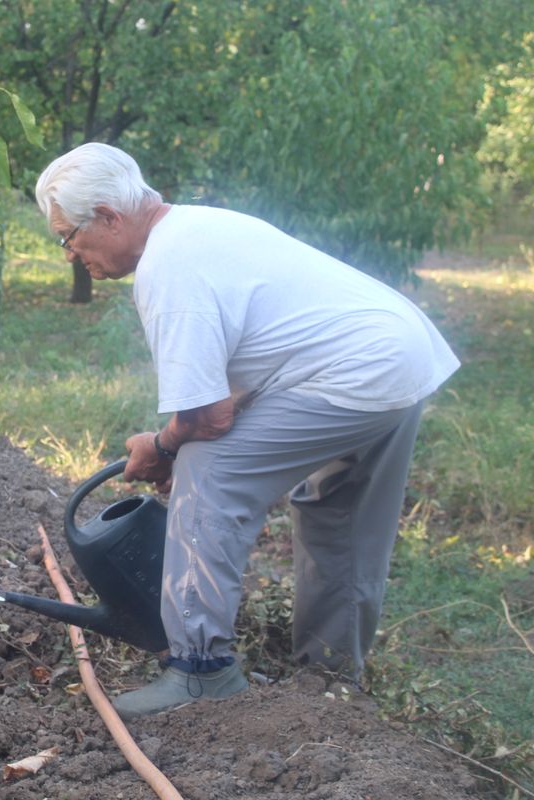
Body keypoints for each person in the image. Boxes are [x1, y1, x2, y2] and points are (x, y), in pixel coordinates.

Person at [34, 143, 460, 720]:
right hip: (400, 354)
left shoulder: (167, 269)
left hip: (356, 371)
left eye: (68, 236)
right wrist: (169, 444)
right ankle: (332, 679)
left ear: (109, 216)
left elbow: (209, 419)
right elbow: (234, 382)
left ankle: (200, 668)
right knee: (342, 511)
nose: (68, 253)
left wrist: (162, 448)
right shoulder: (200, 226)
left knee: (211, 471)